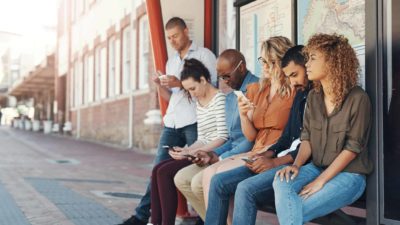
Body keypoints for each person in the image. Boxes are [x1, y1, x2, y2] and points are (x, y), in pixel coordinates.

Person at [117, 17, 217, 225]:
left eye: (175, 36)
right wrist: (158, 85)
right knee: (157, 169)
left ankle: (203, 216)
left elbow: (208, 86)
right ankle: (142, 216)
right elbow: (170, 97)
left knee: (200, 165)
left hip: (194, 121)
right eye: (169, 38)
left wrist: (179, 82)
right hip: (172, 122)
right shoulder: (171, 62)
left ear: (186, 31)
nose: (172, 41)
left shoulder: (204, 55)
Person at [273, 33, 373, 225]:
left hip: (349, 175)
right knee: (281, 182)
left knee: (295, 208)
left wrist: (322, 181)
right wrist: (297, 165)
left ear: (332, 61)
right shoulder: (313, 97)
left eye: (312, 58)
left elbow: (352, 148)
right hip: (315, 168)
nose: (307, 64)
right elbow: (307, 138)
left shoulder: (358, 98)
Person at [201, 36, 295, 225]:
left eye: (271, 62)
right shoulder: (259, 88)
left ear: (284, 62)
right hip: (256, 149)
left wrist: (270, 154)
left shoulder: (294, 89)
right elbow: (252, 135)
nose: (265, 67)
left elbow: (293, 135)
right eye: (263, 61)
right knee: (211, 175)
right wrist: (244, 115)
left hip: (273, 152)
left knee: (219, 178)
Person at [173, 49, 258, 220]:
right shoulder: (229, 97)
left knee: (201, 182)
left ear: (241, 68)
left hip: (250, 154)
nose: (224, 81)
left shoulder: (255, 89)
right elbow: (231, 138)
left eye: (227, 76)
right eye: (221, 77)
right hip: (229, 152)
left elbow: (250, 140)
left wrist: (216, 156)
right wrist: (202, 153)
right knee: (180, 178)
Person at [150, 58, 228, 225]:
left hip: (213, 154)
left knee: (165, 172)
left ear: (203, 80)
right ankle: (155, 222)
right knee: (157, 168)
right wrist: (185, 150)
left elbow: (222, 137)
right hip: (200, 152)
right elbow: (202, 138)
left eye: (193, 88)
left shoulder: (219, 99)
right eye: (187, 90)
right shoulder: (200, 102)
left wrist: (191, 152)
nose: (191, 94)